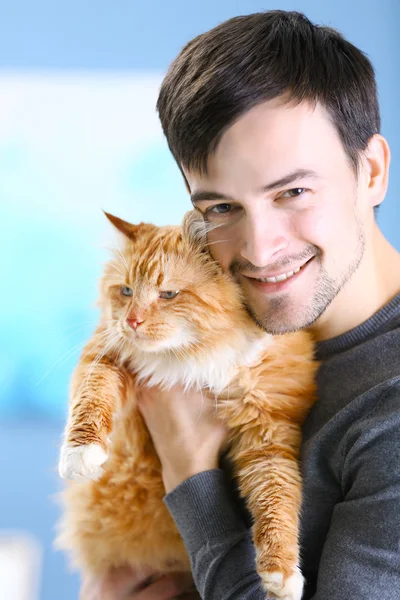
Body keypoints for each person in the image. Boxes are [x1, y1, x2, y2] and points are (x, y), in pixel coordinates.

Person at [81, 10, 400, 600]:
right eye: (221, 208)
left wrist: (190, 472)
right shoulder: (219, 318)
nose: (259, 250)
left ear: (372, 171)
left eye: (293, 191)